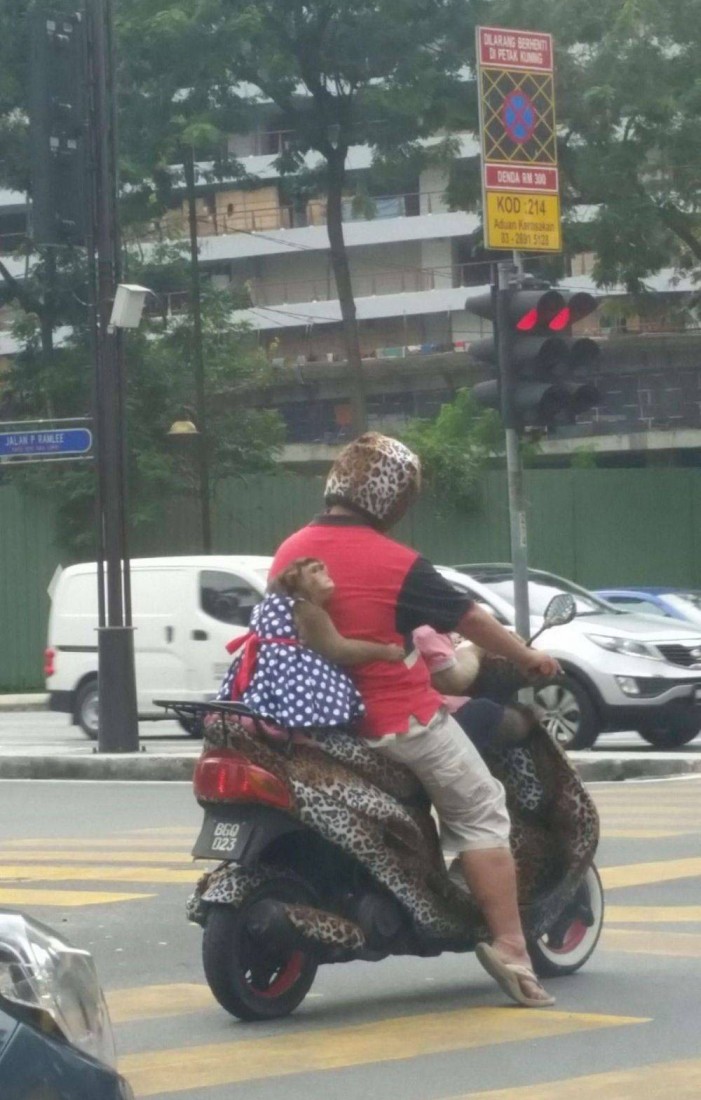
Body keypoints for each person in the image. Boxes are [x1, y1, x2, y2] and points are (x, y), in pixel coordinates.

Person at [270, 432, 561, 1008]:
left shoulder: (290, 551)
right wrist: (527, 657)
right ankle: (510, 946)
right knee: (480, 809)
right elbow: (470, 621)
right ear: (395, 498)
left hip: (316, 724)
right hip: (398, 723)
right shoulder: (398, 562)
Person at [217, 556, 405, 734]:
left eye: (323, 568)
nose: (324, 574)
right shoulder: (304, 608)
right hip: (293, 686)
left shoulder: (265, 605)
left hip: (260, 684)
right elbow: (339, 650)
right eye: (314, 571)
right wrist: (385, 652)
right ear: (296, 582)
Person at [413, 625, 535, 755]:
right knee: (491, 712)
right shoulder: (424, 632)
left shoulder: (425, 629)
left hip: (422, 708)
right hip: (424, 718)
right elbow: (453, 682)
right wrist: (478, 647)